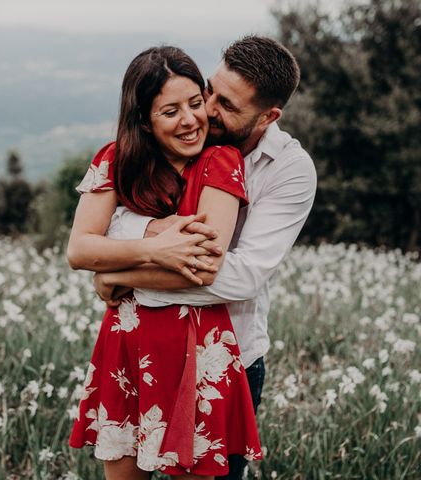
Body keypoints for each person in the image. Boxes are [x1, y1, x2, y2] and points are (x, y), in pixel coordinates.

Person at [92, 36, 317, 480]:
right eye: (210, 91)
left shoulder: (290, 170)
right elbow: (108, 224)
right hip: (142, 350)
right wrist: (151, 238)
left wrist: (121, 273)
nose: (206, 110)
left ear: (268, 116)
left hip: (225, 360)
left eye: (227, 105)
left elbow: (240, 276)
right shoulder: (172, 138)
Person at [67, 45, 263, 479]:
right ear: (144, 120)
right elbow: (79, 249)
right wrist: (156, 248)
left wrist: (113, 272)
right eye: (170, 111)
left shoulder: (221, 161)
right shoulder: (114, 160)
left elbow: (203, 265)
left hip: (198, 350)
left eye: (196, 103)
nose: (191, 120)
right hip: (127, 348)